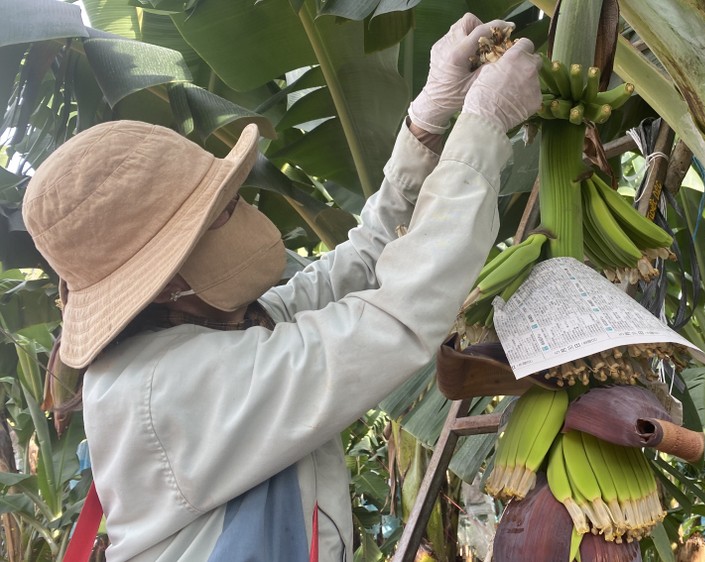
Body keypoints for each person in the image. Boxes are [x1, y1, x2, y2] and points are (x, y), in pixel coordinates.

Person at [21, 13, 540, 562]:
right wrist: (481, 130)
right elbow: (396, 318)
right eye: (225, 211)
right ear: (167, 278)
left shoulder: (212, 327)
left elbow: (361, 260)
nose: (246, 211)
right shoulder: (172, 386)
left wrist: (426, 121)